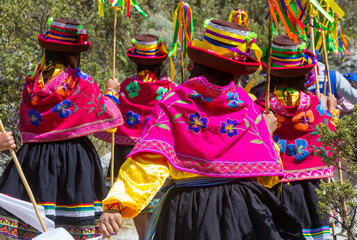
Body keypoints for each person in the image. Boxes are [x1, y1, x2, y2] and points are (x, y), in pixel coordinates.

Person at [99, 19, 305, 240]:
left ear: (197, 63)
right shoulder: (248, 107)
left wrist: (117, 205)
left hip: (188, 209)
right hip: (240, 209)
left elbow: (151, 160)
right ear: (236, 72)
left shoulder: (174, 103)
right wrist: (268, 133)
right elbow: (267, 177)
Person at [0, 18, 123, 240]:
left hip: (34, 161)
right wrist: (111, 93)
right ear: (72, 55)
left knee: (37, 228)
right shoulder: (81, 82)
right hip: (73, 162)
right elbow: (109, 117)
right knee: (73, 229)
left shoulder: (31, 85)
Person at [255, 35, 337, 240]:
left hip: (275, 187)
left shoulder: (260, 107)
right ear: (302, 75)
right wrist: (332, 112)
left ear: (271, 75)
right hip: (312, 190)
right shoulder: (314, 105)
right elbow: (332, 141)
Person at [94, 33, 173, 240]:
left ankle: (142, 237)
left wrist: (110, 92)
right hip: (155, 151)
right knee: (154, 199)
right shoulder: (168, 88)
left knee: (138, 204)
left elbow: (107, 115)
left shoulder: (125, 87)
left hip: (127, 151)